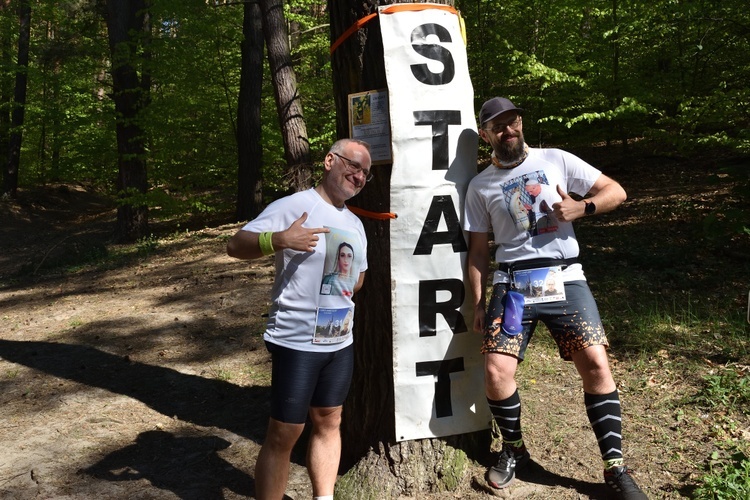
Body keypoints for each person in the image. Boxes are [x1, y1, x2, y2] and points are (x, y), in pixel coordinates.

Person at [464, 97, 648, 500]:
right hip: (512, 285)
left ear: (521, 123)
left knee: (596, 362)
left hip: (565, 277)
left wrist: (583, 207)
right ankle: (514, 450)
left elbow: (615, 191)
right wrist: (477, 302)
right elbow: (478, 252)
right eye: (498, 126)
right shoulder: (480, 185)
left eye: (512, 122)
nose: (507, 130)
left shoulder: (556, 159)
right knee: (496, 371)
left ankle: (615, 468)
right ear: (486, 135)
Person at [227, 138, 372, 500]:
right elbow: (234, 246)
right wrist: (278, 239)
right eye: (353, 165)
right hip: (296, 340)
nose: (358, 176)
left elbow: (359, 278)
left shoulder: (355, 222)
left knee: (330, 420)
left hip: (340, 341)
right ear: (329, 160)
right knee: (285, 432)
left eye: (365, 173)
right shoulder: (295, 205)